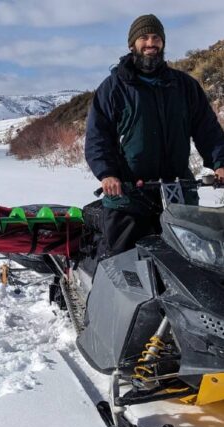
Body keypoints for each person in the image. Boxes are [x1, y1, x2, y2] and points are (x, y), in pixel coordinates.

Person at [85, 14, 224, 257]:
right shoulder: (114, 87)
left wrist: (221, 163)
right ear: (132, 45)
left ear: (163, 43)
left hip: (178, 191)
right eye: (144, 37)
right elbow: (98, 135)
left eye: (156, 37)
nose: (151, 43)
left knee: (194, 261)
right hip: (128, 194)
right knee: (123, 264)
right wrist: (107, 174)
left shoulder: (184, 86)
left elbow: (208, 130)